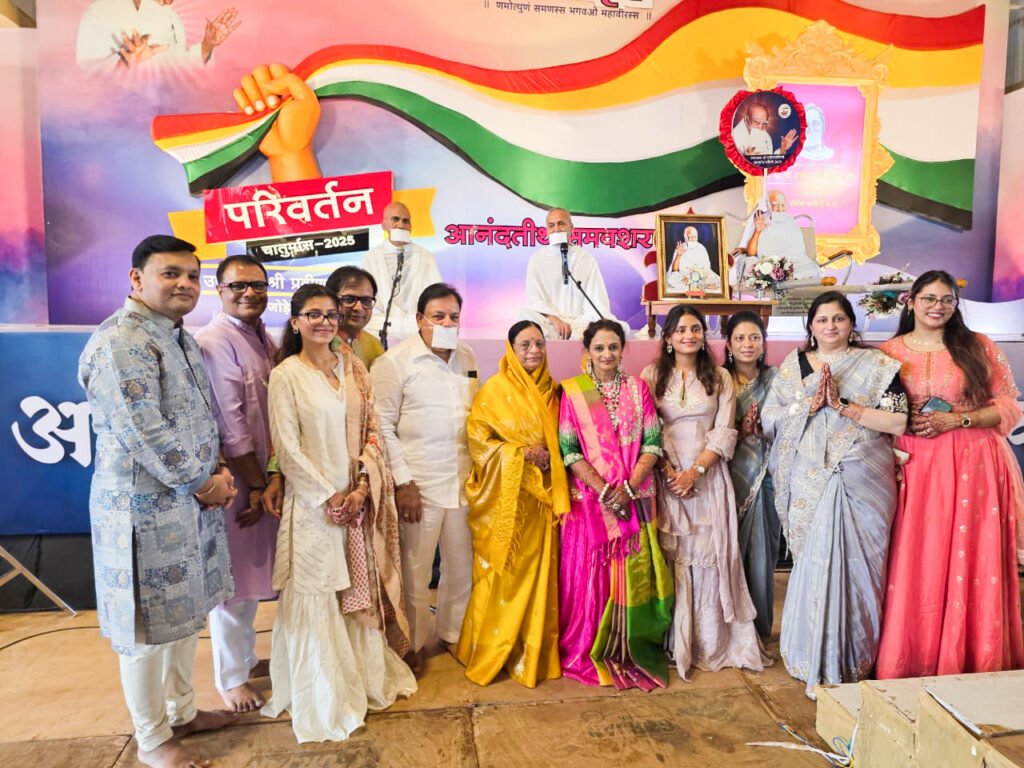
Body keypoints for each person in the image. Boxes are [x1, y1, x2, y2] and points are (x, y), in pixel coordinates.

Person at [78, 234, 237, 768]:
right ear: (136, 278)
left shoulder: (177, 336)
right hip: (141, 513)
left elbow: (199, 416)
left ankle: (182, 712)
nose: (185, 284)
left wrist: (216, 470)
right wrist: (202, 483)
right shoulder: (121, 341)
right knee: (145, 631)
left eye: (192, 276)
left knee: (183, 617)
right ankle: (151, 740)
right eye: (171, 273)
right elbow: (143, 432)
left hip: (186, 504)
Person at [262, 284, 415, 742]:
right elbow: (287, 448)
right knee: (318, 594)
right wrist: (329, 497)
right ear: (295, 322)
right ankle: (325, 696)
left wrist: (363, 487)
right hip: (315, 508)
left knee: (355, 591)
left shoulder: (354, 369)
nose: (324, 321)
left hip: (356, 501)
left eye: (330, 314)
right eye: (313, 314)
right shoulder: (286, 375)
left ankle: (362, 680)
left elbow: (373, 432)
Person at [876, 270, 1024, 679]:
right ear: (911, 302)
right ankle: (912, 658)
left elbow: (1007, 406)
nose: (937, 306)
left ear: (955, 305)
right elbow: (877, 409)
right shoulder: (888, 352)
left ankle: (975, 657)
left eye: (946, 300)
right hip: (913, 465)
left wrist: (957, 420)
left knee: (969, 555)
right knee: (914, 555)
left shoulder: (978, 346)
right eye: (929, 298)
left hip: (972, 465)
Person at [761, 291, 908, 698]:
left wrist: (842, 405)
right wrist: (807, 405)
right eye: (822, 319)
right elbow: (771, 418)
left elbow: (898, 421)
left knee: (860, 567)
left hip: (863, 476)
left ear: (851, 324)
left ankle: (853, 656)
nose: (830, 326)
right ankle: (810, 654)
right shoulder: (794, 366)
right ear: (810, 326)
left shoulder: (876, 365)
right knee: (814, 563)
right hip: (810, 479)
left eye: (839, 319)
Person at [642, 306, 766, 679]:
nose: (689, 336)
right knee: (672, 555)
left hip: (708, 478)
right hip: (666, 478)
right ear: (668, 337)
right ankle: (673, 642)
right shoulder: (651, 376)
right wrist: (669, 472)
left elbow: (725, 431)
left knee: (710, 554)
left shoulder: (719, 376)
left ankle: (709, 642)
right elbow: (647, 429)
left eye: (696, 329)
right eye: (681, 330)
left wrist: (695, 471)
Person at [558, 320, 673, 689]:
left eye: (613, 347)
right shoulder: (573, 393)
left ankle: (627, 647)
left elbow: (652, 442)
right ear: (587, 352)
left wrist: (628, 487)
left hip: (635, 499)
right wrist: (606, 491)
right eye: (599, 348)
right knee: (590, 578)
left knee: (631, 576)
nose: (606, 354)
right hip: (590, 504)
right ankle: (589, 644)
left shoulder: (639, 389)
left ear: (623, 349)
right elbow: (569, 450)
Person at [370, 283, 478, 674]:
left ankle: (452, 632)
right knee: (415, 571)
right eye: (438, 316)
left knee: (461, 566)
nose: (447, 323)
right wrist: (403, 483)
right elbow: (381, 425)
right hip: (419, 484)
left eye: (453, 317)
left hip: (463, 481)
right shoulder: (394, 363)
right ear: (420, 319)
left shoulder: (467, 356)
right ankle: (412, 642)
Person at [456, 321, 570, 687]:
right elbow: (479, 442)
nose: (533, 351)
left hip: (543, 502)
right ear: (511, 349)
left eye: (539, 343)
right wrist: (521, 454)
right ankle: (493, 647)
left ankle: (532, 650)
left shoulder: (556, 391)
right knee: (503, 575)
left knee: (540, 579)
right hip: (507, 503)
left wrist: (549, 457)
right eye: (525, 344)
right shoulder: (494, 390)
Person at [194, 254, 278, 714]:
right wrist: (257, 485)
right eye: (238, 286)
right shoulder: (214, 341)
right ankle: (230, 679)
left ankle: (244, 659)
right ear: (219, 290)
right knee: (233, 583)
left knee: (252, 578)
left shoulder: (262, 336)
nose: (249, 293)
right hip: (239, 479)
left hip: (264, 477)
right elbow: (232, 424)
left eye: (258, 285)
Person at [723, 311, 780, 641]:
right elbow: (707, 428)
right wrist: (739, 431)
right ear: (728, 345)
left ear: (763, 342)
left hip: (766, 475)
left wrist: (765, 429)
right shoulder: (718, 380)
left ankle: (757, 632)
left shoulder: (777, 378)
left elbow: (791, 422)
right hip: (726, 476)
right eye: (740, 338)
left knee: (761, 552)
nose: (748, 344)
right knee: (728, 550)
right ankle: (729, 632)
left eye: (754, 337)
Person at [522, 207, 625, 340]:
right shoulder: (537, 259)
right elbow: (534, 299)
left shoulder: (585, 258)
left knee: (619, 328)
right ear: (546, 230)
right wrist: (554, 319)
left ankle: (576, 335)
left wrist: (594, 321)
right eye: (551, 225)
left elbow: (597, 298)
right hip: (550, 323)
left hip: (581, 323)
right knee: (523, 315)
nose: (556, 229)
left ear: (571, 227)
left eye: (561, 224)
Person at [362, 202, 443, 348]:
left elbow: (436, 296)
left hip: (414, 323)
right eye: (395, 219)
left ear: (411, 226)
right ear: (384, 225)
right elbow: (366, 297)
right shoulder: (373, 256)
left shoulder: (425, 256)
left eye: (406, 221)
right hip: (382, 323)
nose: (401, 225)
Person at [76, 0, 239, 70]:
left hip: (168, 117)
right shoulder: (99, 12)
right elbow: (86, 73)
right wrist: (124, 64)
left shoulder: (171, 17)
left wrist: (208, 45)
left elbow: (180, 68)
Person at [744, 191, 819, 280]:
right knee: (759, 270)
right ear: (768, 205)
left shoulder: (792, 223)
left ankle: (785, 278)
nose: (779, 209)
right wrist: (757, 231)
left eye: (782, 205)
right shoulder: (760, 220)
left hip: (792, 263)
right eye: (775, 205)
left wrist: (788, 264)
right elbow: (751, 253)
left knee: (810, 268)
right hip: (768, 263)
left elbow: (799, 254)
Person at [325, 265, 386, 368]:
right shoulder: (317, 343)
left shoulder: (375, 347)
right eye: (349, 299)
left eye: (366, 301)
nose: (359, 308)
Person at [731, 101, 797, 157]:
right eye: (757, 122)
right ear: (747, 119)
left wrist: (782, 149)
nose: (760, 127)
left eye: (764, 123)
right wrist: (748, 159)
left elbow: (769, 161)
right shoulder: (736, 136)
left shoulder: (766, 136)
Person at [667, 227, 720, 291]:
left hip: (700, 277)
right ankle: (700, 287)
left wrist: (693, 276)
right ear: (685, 237)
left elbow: (707, 268)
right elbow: (674, 269)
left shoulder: (701, 248)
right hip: (684, 277)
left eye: (695, 237)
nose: (692, 239)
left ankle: (695, 286)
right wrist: (679, 255)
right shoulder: (681, 247)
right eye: (690, 237)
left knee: (713, 277)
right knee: (672, 277)